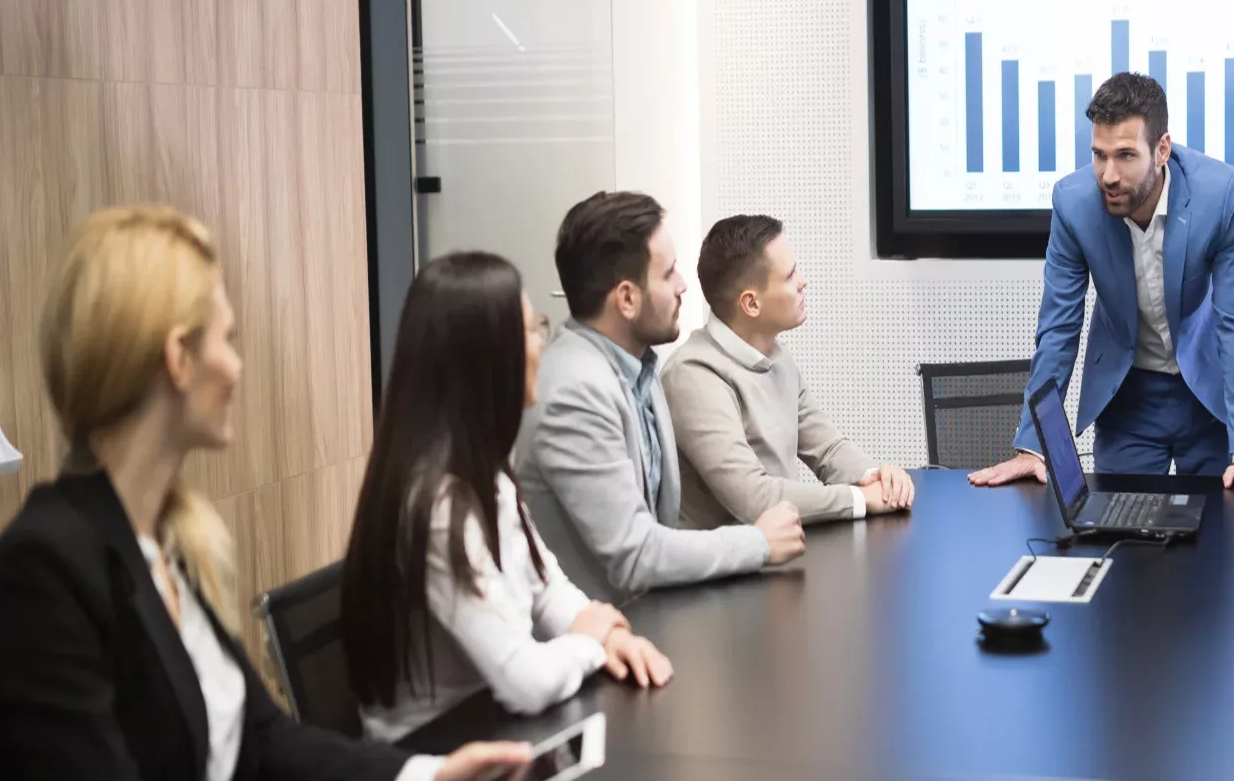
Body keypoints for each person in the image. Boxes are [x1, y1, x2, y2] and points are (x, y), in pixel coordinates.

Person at [0, 207, 533, 781]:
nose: (239, 366)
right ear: (178, 359)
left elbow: (265, 742)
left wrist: (420, 780)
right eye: (226, 339)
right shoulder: (43, 568)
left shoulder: (162, 541)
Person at [342, 253, 674, 744]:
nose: (542, 342)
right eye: (531, 328)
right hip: (436, 760)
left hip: (492, 730)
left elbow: (546, 587)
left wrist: (611, 635)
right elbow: (525, 683)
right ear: (487, 358)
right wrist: (591, 644)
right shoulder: (436, 504)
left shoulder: (484, 470)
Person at [967, 73, 1234, 492]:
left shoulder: (1220, 193)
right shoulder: (1073, 203)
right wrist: (1031, 445)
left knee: (1222, 532)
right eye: (1099, 155)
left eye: (1126, 156)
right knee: (1119, 531)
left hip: (1206, 391)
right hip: (1128, 395)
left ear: (1162, 150)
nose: (1108, 175)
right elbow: (1058, 328)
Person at [516, 191, 806, 600]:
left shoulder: (639, 367)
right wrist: (757, 543)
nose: (684, 285)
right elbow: (634, 553)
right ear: (627, 299)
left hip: (651, 617)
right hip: (596, 643)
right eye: (669, 273)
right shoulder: (572, 394)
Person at [662, 215, 914, 528]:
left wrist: (875, 477)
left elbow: (827, 448)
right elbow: (755, 498)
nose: (802, 282)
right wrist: (861, 499)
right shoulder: (693, 376)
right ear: (751, 303)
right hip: (726, 570)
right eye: (790, 275)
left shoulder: (777, 357)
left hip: (780, 553)